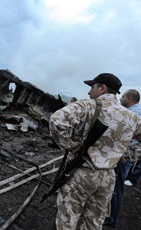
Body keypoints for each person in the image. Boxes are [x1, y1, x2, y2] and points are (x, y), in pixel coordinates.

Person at [49, 73, 141, 230]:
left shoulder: (88, 105)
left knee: (67, 220)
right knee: (94, 223)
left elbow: (56, 120)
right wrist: (124, 155)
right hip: (108, 177)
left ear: (102, 88)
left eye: (92, 87)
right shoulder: (132, 117)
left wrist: (68, 144)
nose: (89, 92)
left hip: (83, 172)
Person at [104, 89, 141, 227]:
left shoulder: (133, 113)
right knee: (116, 184)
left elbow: (124, 135)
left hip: (125, 154)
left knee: (116, 186)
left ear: (130, 99)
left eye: (124, 96)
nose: (121, 99)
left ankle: (112, 218)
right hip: (129, 154)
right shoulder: (137, 111)